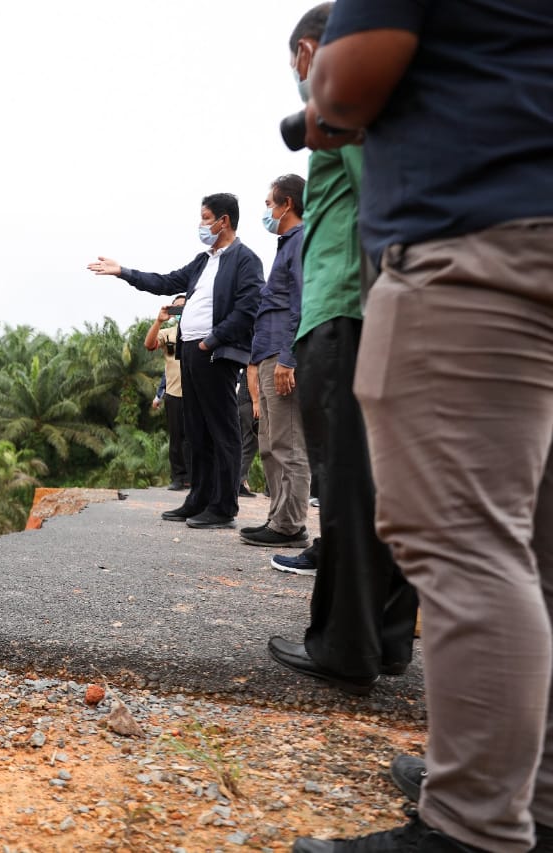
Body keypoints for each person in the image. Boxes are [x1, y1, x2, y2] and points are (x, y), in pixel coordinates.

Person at [286, 0, 553, 851]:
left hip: (472, 240)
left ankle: (471, 826)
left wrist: (320, 106)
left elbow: (351, 82)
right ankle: (526, 791)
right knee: (536, 547)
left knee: (465, 539)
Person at [265, 3, 419, 706]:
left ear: (309, 52)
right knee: (390, 480)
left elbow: (375, 190)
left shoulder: (343, 99)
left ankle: (343, 643)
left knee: (349, 480)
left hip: (347, 307)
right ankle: (386, 635)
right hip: (371, 304)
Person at [88, 194, 263, 529]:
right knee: (196, 431)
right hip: (190, 353)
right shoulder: (202, 261)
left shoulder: (245, 260)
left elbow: (247, 309)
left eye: (206, 217)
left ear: (223, 221)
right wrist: (123, 271)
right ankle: (198, 498)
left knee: (222, 430)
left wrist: (211, 340)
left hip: (215, 353)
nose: (202, 224)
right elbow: (165, 282)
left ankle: (224, 506)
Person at [241, 175, 310, 548]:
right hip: (267, 355)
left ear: (286, 204)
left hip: (282, 356)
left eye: (269, 204)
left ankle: (290, 526)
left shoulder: (300, 242)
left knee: (289, 445)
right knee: (269, 444)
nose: (267, 211)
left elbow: (300, 303)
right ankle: (277, 517)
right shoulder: (284, 246)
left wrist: (289, 357)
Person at [145, 295, 190, 490]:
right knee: (176, 437)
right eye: (176, 308)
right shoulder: (167, 333)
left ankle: (196, 478)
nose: (180, 311)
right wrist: (158, 320)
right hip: (174, 392)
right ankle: (178, 477)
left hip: (197, 393)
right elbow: (149, 344)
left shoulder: (199, 332)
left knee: (197, 437)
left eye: (184, 307)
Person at [237, 369, 258, 498]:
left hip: (245, 402)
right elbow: (252, 375)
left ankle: (239, 481)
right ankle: (238, 482)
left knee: (248, 443)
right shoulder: (254, 355)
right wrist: (255, 401)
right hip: (248, 402)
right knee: (252, 443)